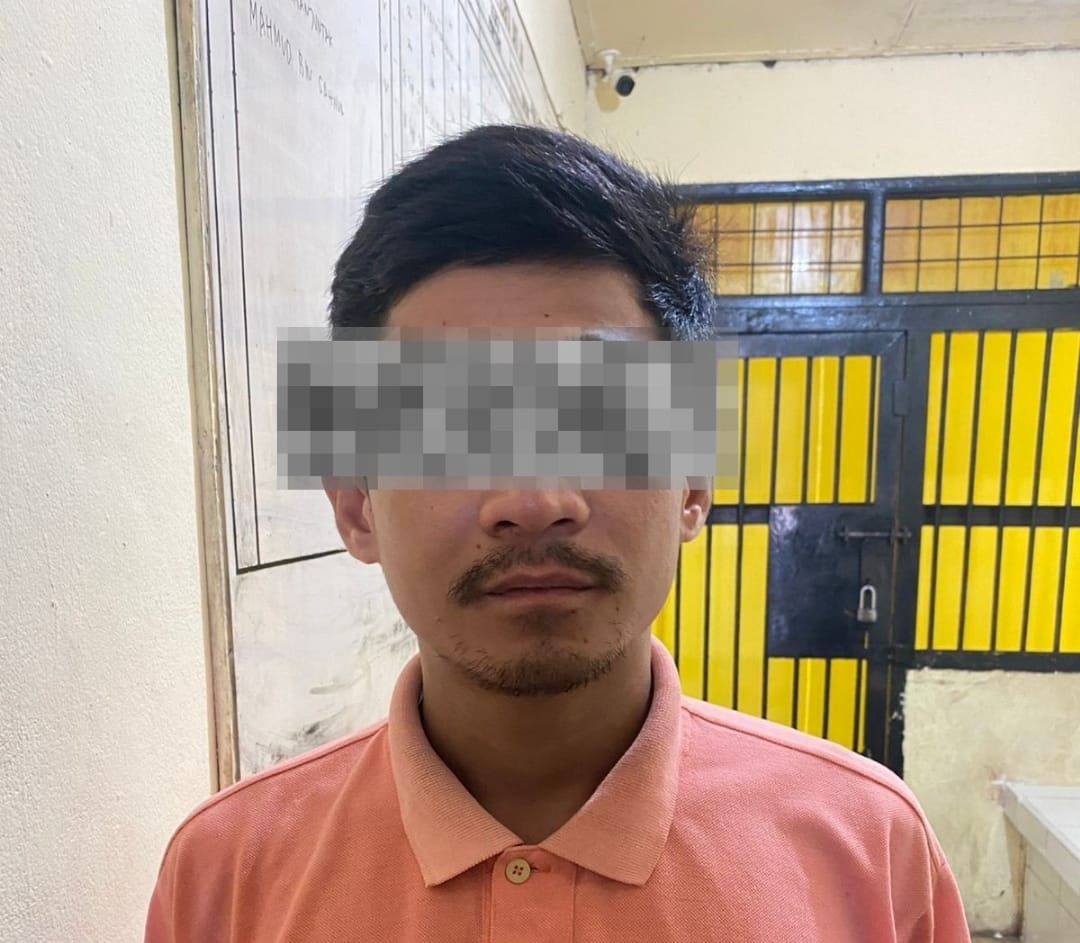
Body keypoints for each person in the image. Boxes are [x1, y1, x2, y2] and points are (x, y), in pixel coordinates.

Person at [144, 125, 970, 941]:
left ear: (692, 481)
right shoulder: (226, 878)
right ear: (355, 502)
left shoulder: (869, 854)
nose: (534, 499)